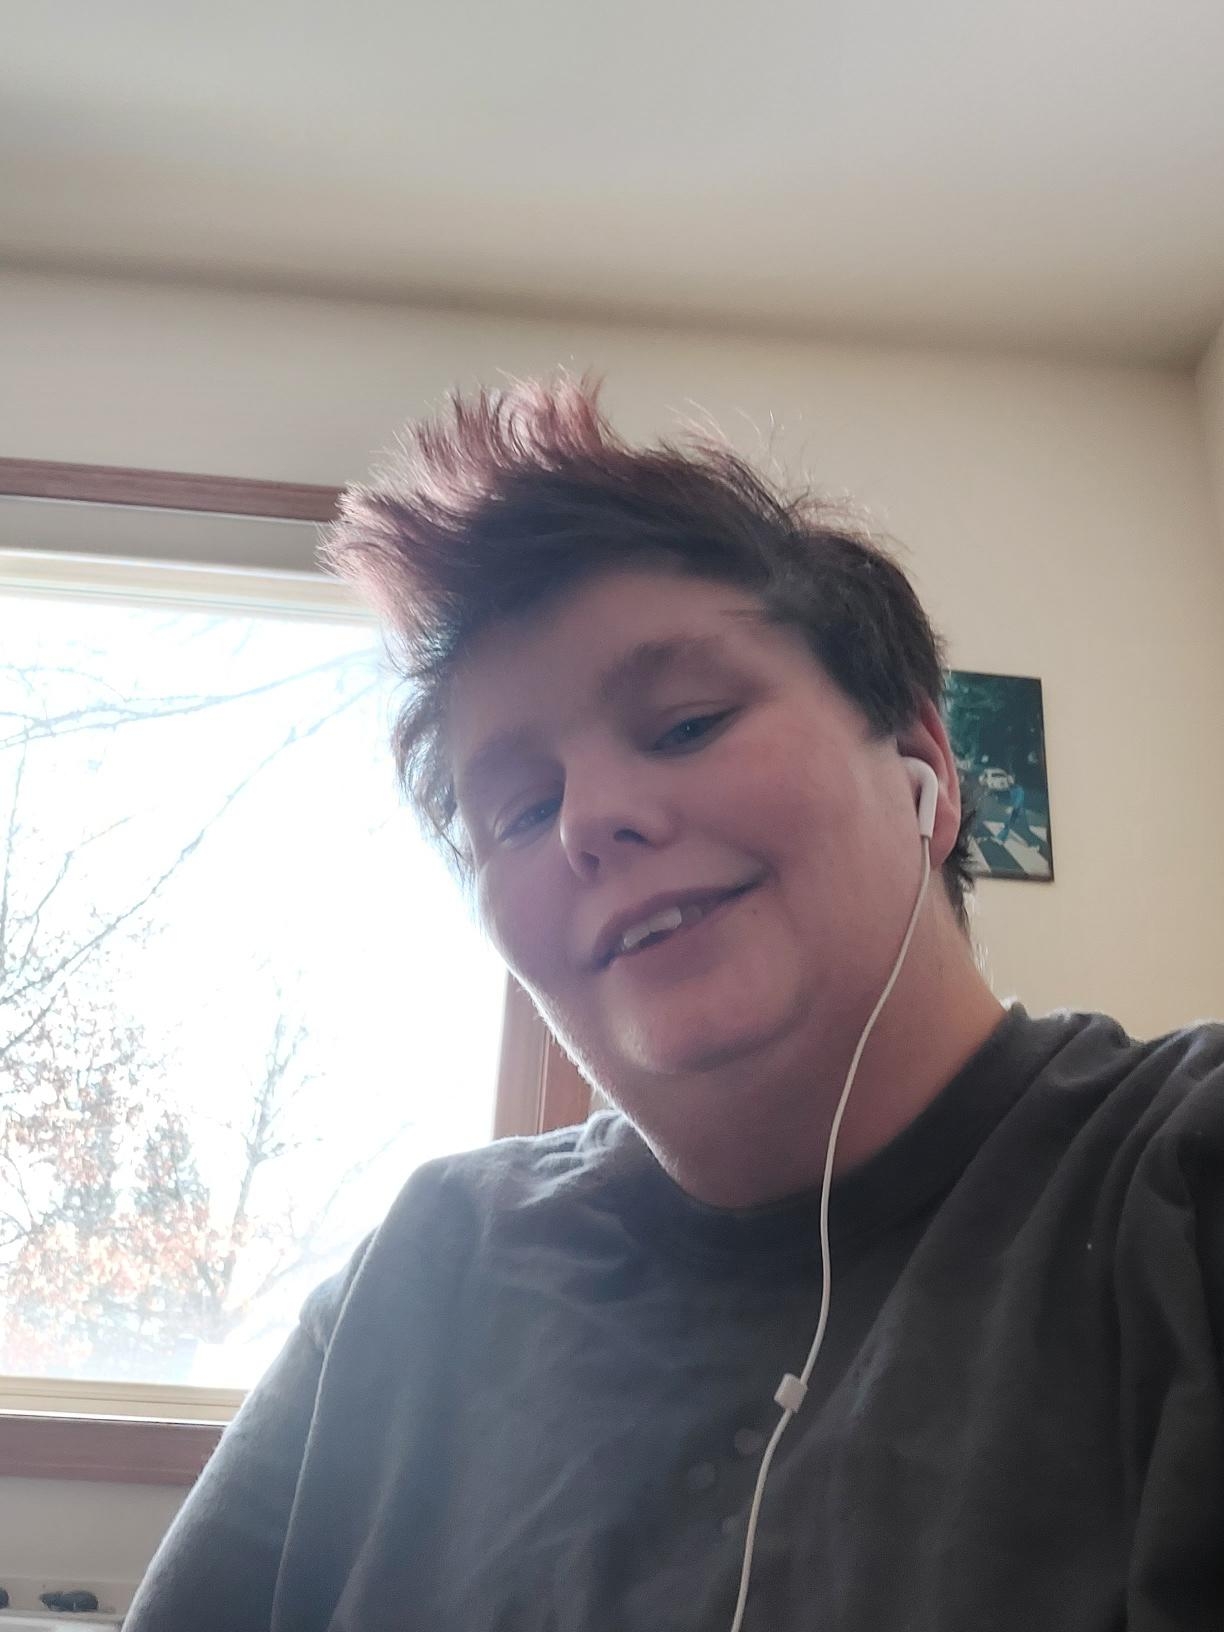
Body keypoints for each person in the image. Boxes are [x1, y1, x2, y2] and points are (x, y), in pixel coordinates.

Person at [126, 378, 1224, 1632]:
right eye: (521, 812)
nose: (590, 822)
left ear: (923, 765)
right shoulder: (427, 1271)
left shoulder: (1182, 1181)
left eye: (689, 724)